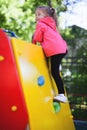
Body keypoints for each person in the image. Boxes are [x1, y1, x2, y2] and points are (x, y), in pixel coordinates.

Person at [32, 6, 68, 103]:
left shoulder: (41, 24)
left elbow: (38, 38)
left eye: (39, 14)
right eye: (36, 15)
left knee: (54, 72)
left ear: (46, 16)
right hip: (63, 49)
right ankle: (58, 65)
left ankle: (61, 94)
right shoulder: (52, 24)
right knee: (56, 66)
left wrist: (33, 38)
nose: (36, 17)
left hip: (56, 51)